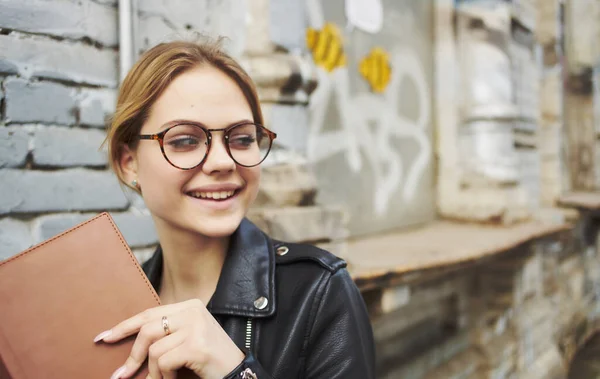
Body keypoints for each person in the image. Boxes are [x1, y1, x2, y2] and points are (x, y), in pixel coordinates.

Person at [96, 39, 376, 379]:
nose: (222, 161)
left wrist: (235, 371)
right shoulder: (120, 309)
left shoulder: (317, 293)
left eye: (241, 138)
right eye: (185, 140)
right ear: (129, 163)